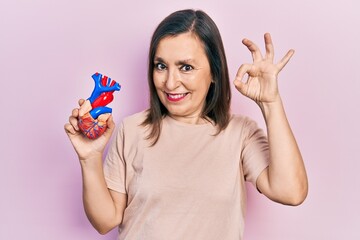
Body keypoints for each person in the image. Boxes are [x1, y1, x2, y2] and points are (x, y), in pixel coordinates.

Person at [64, 9, 308, 240]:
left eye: (186, 67)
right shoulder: (132, 130)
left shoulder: (240, 133)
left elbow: (291, 192)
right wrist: (89, 158)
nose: (170, 83)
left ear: (214, 72)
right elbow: (105, 221)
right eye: (161, 66)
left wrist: (270, 102)